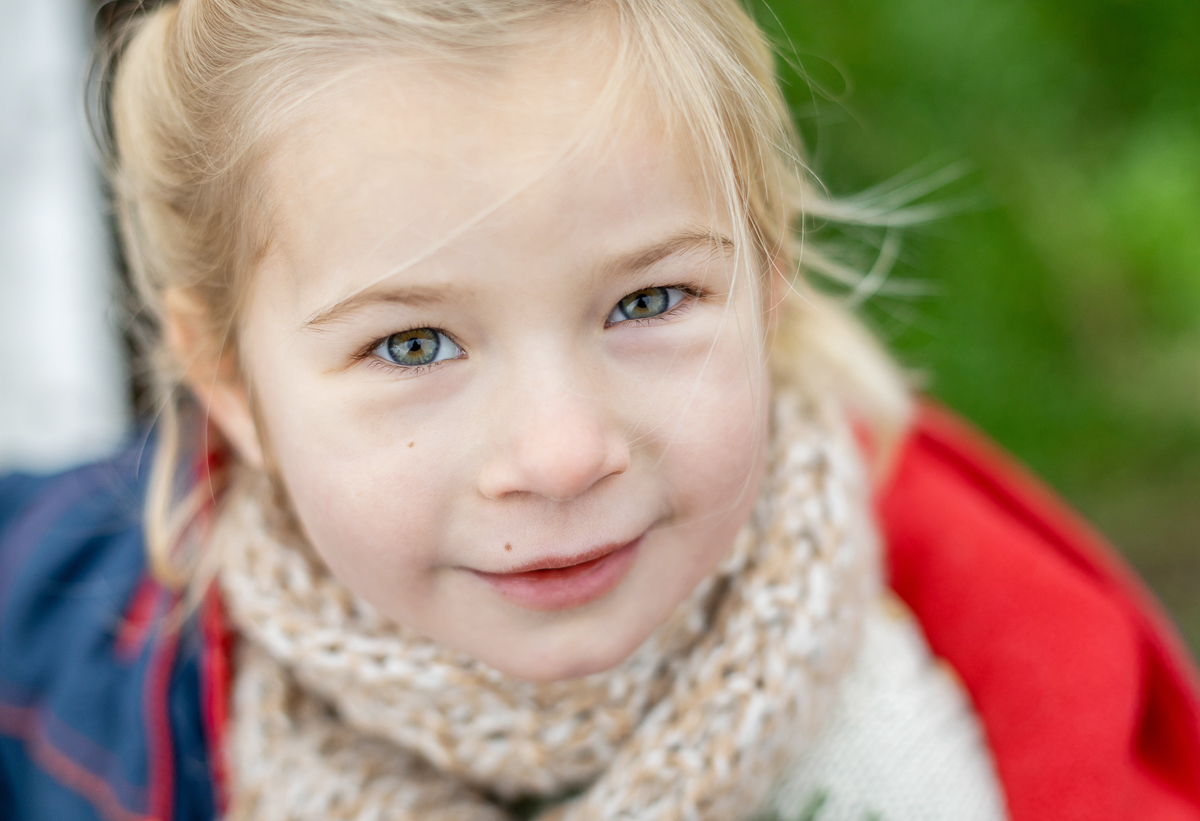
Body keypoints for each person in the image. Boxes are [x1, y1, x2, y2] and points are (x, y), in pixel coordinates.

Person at [1, 1, 1198, 819]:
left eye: (648, 300)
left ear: (767, 279)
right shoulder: (61, 679)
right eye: (413, 343)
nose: (563, 453)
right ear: (231, 389)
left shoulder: (996, 699)